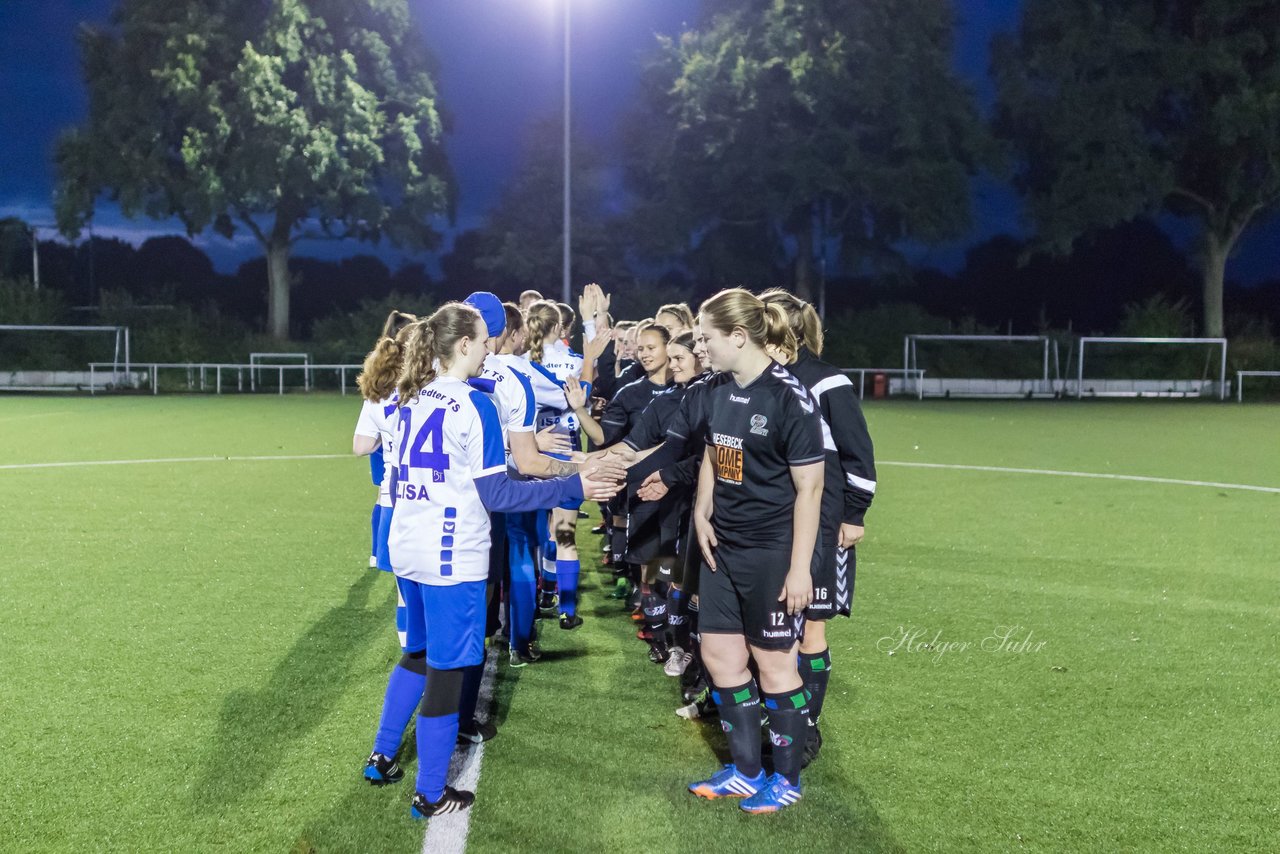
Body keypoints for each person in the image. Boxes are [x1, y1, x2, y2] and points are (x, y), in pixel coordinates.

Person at [361, 303, 618, 819]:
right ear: (462, 346)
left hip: (407, 545)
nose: (487, 349)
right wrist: (574, 483)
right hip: (451, 554)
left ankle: (382, 755)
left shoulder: (407, 393)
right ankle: (430, 792)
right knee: (449, 670)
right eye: (481, 341)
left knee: (416, 652)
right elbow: (498, 493)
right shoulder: (474, 404)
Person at [683, 288, 825, 814]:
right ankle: (745, 772)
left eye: (706, 339)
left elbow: (810, 489)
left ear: (738, 337)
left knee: (774, 664)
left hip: (771, 551)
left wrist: (799, 569)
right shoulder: (718, 389)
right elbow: (714, 452)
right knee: (720, 656)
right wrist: (702, 508)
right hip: (723, 547)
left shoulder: (790, 397)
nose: (701, 348)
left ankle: (785, 780)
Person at [760, 289, 876, 766]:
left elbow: (858, 454)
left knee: (810, 631)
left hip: (825, 524)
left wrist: (854, 514)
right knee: (774, 627)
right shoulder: (760, 379)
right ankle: (776, 713)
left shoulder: (826, 382)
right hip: (775, 524)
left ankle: (806, 726)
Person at [523, 300, 588, 629]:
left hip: (531, 452)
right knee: (564, 535)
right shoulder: (575, 362)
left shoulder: (520, 364)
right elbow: (583, 397)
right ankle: (565, 608)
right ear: (559, 327)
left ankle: (537, 594)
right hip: (568, 452)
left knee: (533, 535)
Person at [353, 314, 415, 644]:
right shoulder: (432, 392)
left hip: (394, 496)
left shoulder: (377, 397)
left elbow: (360, 446)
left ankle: (411, 656)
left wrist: (384, 440)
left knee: (404, 590)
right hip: (431, 499)